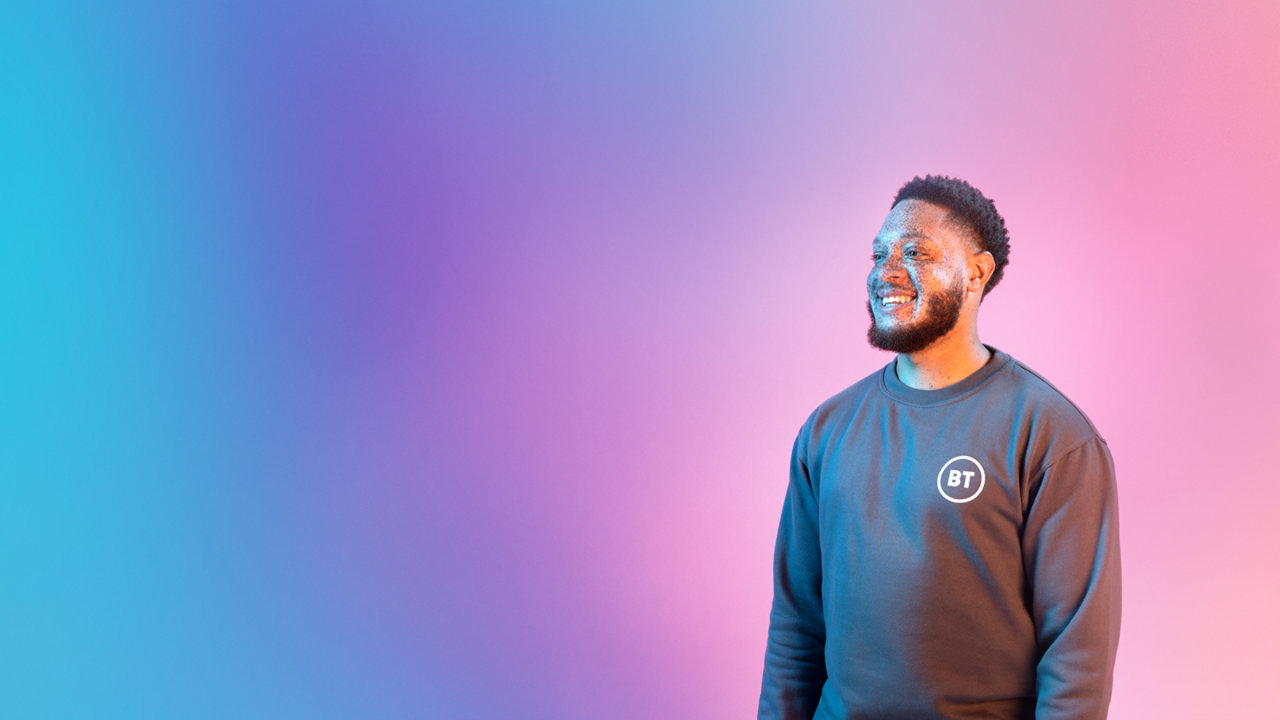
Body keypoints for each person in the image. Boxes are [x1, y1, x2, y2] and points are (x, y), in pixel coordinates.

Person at [758, 175, 1121, 719]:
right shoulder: (827, 430)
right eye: (879, 253)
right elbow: (795, 625)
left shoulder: (1052, 436)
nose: (888, 272)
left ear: (976, 272)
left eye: (916, 253)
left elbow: (1077, 655)